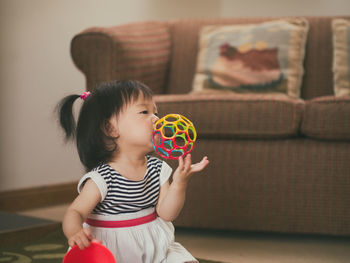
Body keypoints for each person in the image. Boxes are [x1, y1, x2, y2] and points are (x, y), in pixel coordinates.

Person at [57, 80, 209, 263]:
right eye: (144, 112)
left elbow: (167, 213)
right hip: (111, 251)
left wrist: (180, 183)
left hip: (155, 248)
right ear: (110, 128)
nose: (157, 119)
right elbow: (75, 212)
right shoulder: (103, 178)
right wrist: (75, 232)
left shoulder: (157, 168)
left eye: (156, 112)